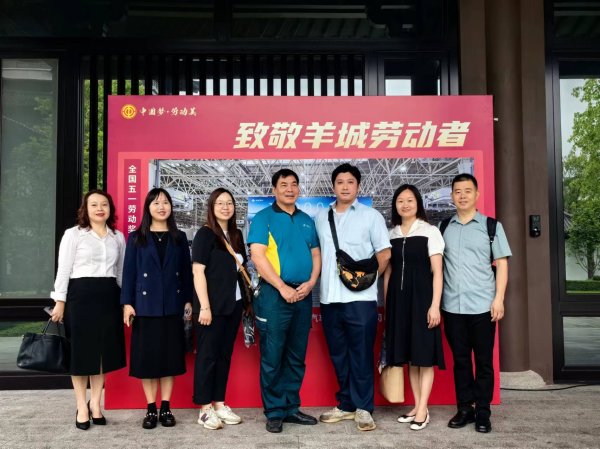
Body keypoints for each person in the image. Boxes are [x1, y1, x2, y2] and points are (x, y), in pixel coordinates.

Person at [315, 163, 391, 432]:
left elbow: (384, 254)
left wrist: (365, 281)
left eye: (350, 182)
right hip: (329, 298)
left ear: (358, 186)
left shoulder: (371, 216)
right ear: (333, 186)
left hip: (361, 300)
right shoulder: (321, 217)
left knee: (360, 353)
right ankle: (346, 404)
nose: (345, 186)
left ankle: (363, 408)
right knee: (338, 354)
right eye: (340, 182)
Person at [247, 168, 321, 433]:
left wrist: (311, 283)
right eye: (284, 184)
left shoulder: (306, 220)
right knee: (273, 356)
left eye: (294, 184)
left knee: (296, 355)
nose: (290, 189)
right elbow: (257, 256)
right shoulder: (263, 218)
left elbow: (315, 254)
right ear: (274, 190)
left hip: (302, 294)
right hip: (273, 295)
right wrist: (281, 287)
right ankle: (275, 411)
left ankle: (291, 408)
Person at [49, 190, 126, 430]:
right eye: (94, 205)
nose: (99, 209)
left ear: (110, 209)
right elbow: (64, 269)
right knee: (81, 353)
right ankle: (81, 406)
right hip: (80, 297)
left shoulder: (118, 237)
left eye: (104, 204)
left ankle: (96, 404)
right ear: (86, 209)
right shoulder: (74, 234)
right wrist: (60, 301)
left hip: (109, 297)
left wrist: (126, 301)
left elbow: (121, 273)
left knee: (102, 353)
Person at [441, 173, 511, 434]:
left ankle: (483, 411)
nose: (462, 196)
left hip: (483, 306)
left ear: (477, 194)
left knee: (483, 362)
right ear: (452, 196)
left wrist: (499, 299)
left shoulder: (491, 226)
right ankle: (464, 409)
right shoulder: (444, 227)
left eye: (467, 191)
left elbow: (502, 264)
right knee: (460, 360)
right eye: (457, 191)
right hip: (452, 306)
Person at [121, 188, 193, 430]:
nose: (161, 207)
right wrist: (127, 303)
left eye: (165, 202)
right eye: (156, 203)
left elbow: (186, 272)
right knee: (148, 361)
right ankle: (150, 408)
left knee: (169, 360)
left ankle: (166, 407)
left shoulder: (179, 237)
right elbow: (129, 273)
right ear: (148, 208)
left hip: (172, 306)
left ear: (171, 207)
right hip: (144, 308)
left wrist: (188, 300)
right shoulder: (136, 237)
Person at [383, 184, 445, 431]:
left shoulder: (430, 231)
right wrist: (388, 305)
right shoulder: (391, 234)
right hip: (399, 304)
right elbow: (388, 273)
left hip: (423, 301)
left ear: (418, 203)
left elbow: (438, 272)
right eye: (400, 200)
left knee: (424, 357)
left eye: (410, 200)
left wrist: (435, 306)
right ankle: (418, 406)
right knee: (409, 356)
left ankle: (422, 409)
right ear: (395, 205)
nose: (405, 204)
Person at [192, 188, 249, 430]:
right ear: (212, 207)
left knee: (224, 356)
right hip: (211, 307)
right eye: (220, 203)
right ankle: (205, 408)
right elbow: (198, 272)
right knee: (207, 356)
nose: (225, 207)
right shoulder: (205, 234)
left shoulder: (236, 235)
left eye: (229, 203)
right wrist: (204, 307)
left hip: (232, 305)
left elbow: (239, 271)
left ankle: (219, 403)